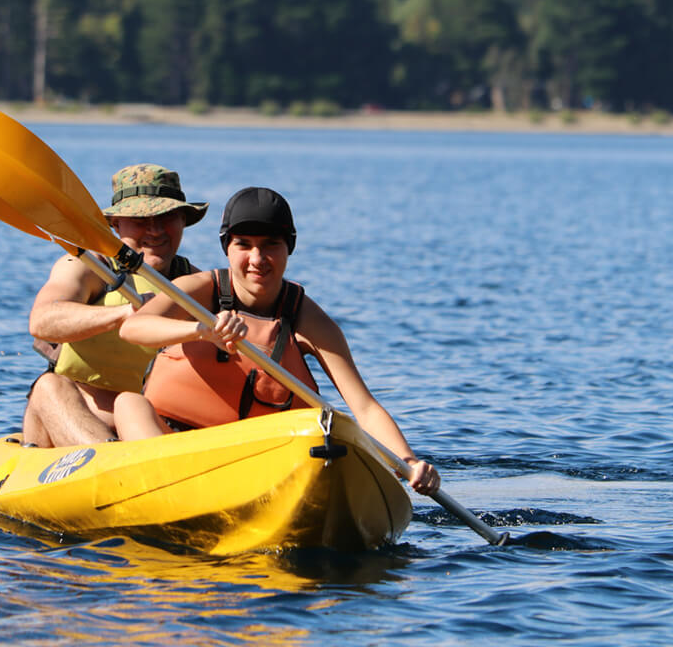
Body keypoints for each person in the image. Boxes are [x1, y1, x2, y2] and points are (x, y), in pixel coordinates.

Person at [114, 187, 441, 496]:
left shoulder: (308, 318)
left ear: (289, 249)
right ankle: (167, 491)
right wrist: (202, 330)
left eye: (270, 244)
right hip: (174, 449)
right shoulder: (200, 289)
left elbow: (364, 407)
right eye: (243, 244)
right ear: (227, 248)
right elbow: (133, 329)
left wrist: (408, 462)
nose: (257, 258)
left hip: (259, 461)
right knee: (129, 403)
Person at [22, 164, 207, 447]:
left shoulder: (197, 283)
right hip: (76, 413)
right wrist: (126, 313)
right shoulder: (88, 267)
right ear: (116, 224)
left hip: (147, 421)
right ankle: (117, 466)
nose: (155, 230)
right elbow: (42, 320)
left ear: (183, 220)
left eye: (167, 217)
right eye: (140, 219)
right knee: (48, 387)